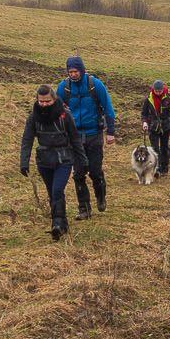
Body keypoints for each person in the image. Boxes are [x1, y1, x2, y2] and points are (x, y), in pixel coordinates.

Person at [19, 84, 83, 241]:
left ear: (54, 99)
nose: (44, 104)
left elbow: (75, 138)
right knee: (52, 192)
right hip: (44, 160)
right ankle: (62, 223)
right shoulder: (33, 117)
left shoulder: (65, 115)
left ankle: (57, 224)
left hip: (64, 159)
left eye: (47, 101)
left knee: (56, 190)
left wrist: (82, 159)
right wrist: (24, 161)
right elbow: (27, 139)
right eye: (41, 101)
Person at [54, 55, 115, 219]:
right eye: (70, 72)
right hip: (73, 138)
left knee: (95, 171)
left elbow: (108, 108)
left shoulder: (96, 85)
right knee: (79, 173)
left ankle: (101, 196)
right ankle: (84, 209)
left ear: (81, 70)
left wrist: (110, 132)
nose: (73, 75)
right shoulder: (63, 88)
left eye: (75, 71)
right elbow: (57, 112)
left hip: (94, 134)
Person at [141, 79, 170, 177]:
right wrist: (144, 123)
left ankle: (164, 168)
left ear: (163, 90)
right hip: (153, 127)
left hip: (165, 127)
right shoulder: (148, 99)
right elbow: (144, 113)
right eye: (156, 91)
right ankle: (156, 169)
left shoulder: (168, 99)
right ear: (153, 89)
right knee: (154, 149)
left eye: (160, 91)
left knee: (164, 148)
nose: (158, 93)